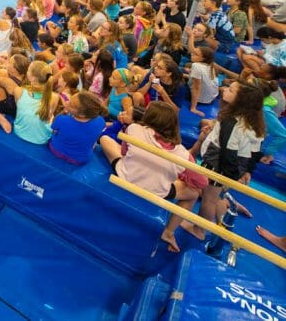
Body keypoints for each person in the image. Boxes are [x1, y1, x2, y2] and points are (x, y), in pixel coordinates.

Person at [98, 102, 207, 252]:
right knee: (193, 194)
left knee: (105, 139)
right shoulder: (182, 154)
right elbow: (202, 182)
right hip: (157, 190)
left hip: (126, 175)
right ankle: (168, 232)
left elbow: (124, 152)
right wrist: (180, 176)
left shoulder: (134, 129)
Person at [184, 81, 265, 242]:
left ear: (240, 100)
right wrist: (247, 170)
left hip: (219, 163)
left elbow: (228, 153)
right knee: (215, 195)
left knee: (209, 198)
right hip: (235, 163)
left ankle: (199, 230)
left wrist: (229, 177)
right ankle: (221, 216)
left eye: (230, 90)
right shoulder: (254, 121)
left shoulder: (230, 121)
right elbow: (256, 151)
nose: (224, 89)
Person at [0, 60, 57, 144]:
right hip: (42, 139)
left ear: (31, 77)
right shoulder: (55, 97)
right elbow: (48, 116)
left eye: (28, 70)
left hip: (20, 133)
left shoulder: (19, 91)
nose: (26, 71)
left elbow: (22, 108)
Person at [49, 92, 107, 164]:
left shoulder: (62, 119)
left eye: (70, 104)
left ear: (82, 114)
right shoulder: (100, 121)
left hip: (57, 150)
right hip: (81, 159)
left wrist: (62, 113)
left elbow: (53, 130)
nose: (66, 102)